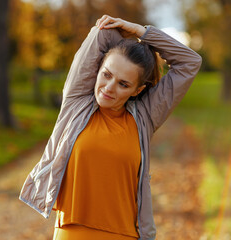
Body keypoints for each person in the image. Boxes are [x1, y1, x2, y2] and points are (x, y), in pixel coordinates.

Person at [19, 15, 202, 240]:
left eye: (123, 84)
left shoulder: (144, 117)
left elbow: (189, 62)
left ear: (137, 90)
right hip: (72, 232)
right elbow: (102, 32)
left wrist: (141, 31)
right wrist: (123, 31)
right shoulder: (76, 102)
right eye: (106, 75)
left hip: (125, 234)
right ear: (98, 69)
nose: (109, 88)